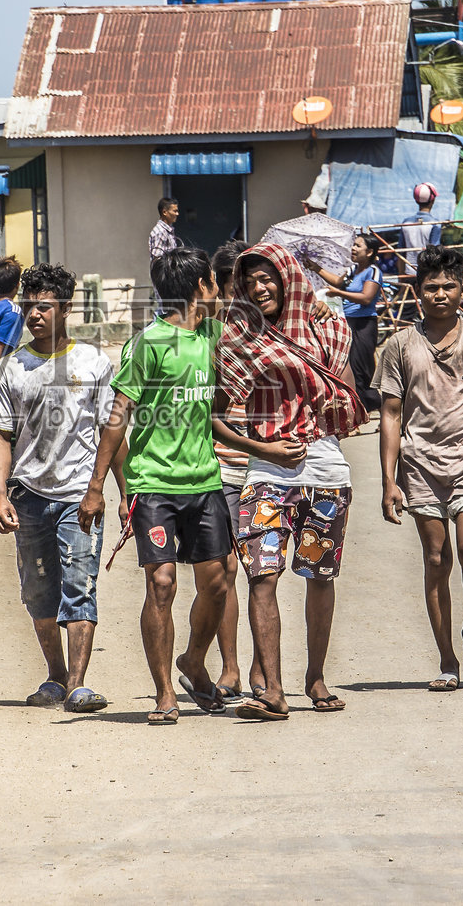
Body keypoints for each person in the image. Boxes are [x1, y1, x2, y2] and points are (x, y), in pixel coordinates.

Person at [214, 243, 367, 721]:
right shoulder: (237, 339)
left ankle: (316, 677)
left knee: (319, 575)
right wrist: (261, 447)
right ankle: (273, 691)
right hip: (265, 468)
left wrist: (325, 402)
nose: (260, 289)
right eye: (251, 282)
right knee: (262, 574)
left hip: (323, 464)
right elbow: (215, 411)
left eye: (269, 279)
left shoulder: (328, 329)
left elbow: (348, 398)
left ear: (287, 279)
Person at [81, 246, 232, 725]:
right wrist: (96, 485)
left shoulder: (211, 334)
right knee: (162, 583)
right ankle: (165, 690)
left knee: (217, 583)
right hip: (154, 483)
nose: (218, 290)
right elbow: (117, 418)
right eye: (212, 282)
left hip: (205, 481)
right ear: (199, 289)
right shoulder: (147, 344)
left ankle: (193, 660)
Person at [376, 244, 463, 693]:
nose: (440, 294)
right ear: (417, 292)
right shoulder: (399, 345)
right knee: (436, 559)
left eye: (449, 286)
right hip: (420, 466)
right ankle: (446, 659)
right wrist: (388, 480)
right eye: (431, 287)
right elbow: (391, 414)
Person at [0, 263, 118, 714]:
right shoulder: (12, 367)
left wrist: (112, 490)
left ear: (66, 308)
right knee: (38, 591)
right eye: (28, 306)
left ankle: (79, 684)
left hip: (79, 494)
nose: (33, 314)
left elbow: (109, 431)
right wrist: (0, 494)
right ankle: (56, 676)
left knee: (79, 584)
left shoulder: (94, 362)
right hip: (27, 495)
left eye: (43, 306)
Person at [206, 240, 250, 704]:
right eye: (236, 282)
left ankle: (263, 667)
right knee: (224, 568)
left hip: (267, 463)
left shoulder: (275, 331)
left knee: (263, 569)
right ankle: (231, 667)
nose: (246, 291)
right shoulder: (207, 334)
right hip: (219, 461)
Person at [316, 232, 389, 413]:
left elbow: (366, 298)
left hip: (364, 325)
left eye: (358, 246)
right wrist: (316, 268)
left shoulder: (373, 271)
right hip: (348, 323)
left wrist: (339, 293)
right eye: (353, 245)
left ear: (370, 252)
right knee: (351, 367)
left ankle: (378, 408)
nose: (353, 249)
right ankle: (366, 409)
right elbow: (337, 282)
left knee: (361, 369)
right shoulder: (352, 270)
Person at [398, 183, 443, 276]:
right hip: (426, 273)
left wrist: (401, 277)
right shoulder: (435, 224)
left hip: (408, 272)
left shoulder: (405, 222)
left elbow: (400, 252)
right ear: (433, 200)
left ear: (416, 200)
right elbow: (434, 251)